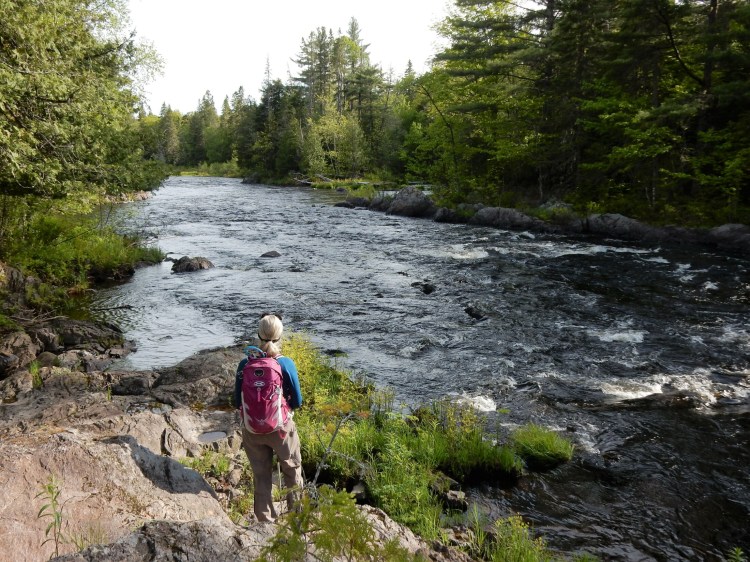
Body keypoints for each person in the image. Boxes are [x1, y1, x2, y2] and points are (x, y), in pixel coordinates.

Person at [234, 312, 304, 522]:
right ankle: (296, 520)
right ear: (280, 336)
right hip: (281, 429)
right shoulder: (286, 364)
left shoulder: (245, 364)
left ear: (258, 334)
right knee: (292, 472)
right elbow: (298, 402)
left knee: (261, 475)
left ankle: (265, 523)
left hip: (252, 429)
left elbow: (237, 401)